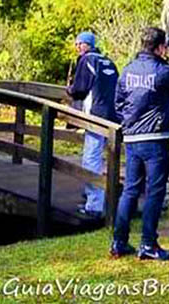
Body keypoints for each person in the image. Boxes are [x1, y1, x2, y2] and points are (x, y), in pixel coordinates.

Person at [110, 27, 169, 260]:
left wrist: (129, 123)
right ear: (159, 47)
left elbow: (118, 104)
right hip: (155, 139)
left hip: (132, 138)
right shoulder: (162, 71)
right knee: (155, 192)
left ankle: (119, 242)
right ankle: (148, 244)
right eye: (165, 46)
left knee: (130, 190)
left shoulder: (127, 70)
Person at [66, 30, 119, 217]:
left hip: (95, 117)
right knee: (106, 159)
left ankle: (94, 205)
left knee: (91, 158)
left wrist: (70, 90)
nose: (77, 47)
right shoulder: (109, 62)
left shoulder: (87, 60)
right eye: (77, 43)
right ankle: (98, 196)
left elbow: (80, 89)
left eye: (80, 43)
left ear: (88, 45)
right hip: (112, 117)